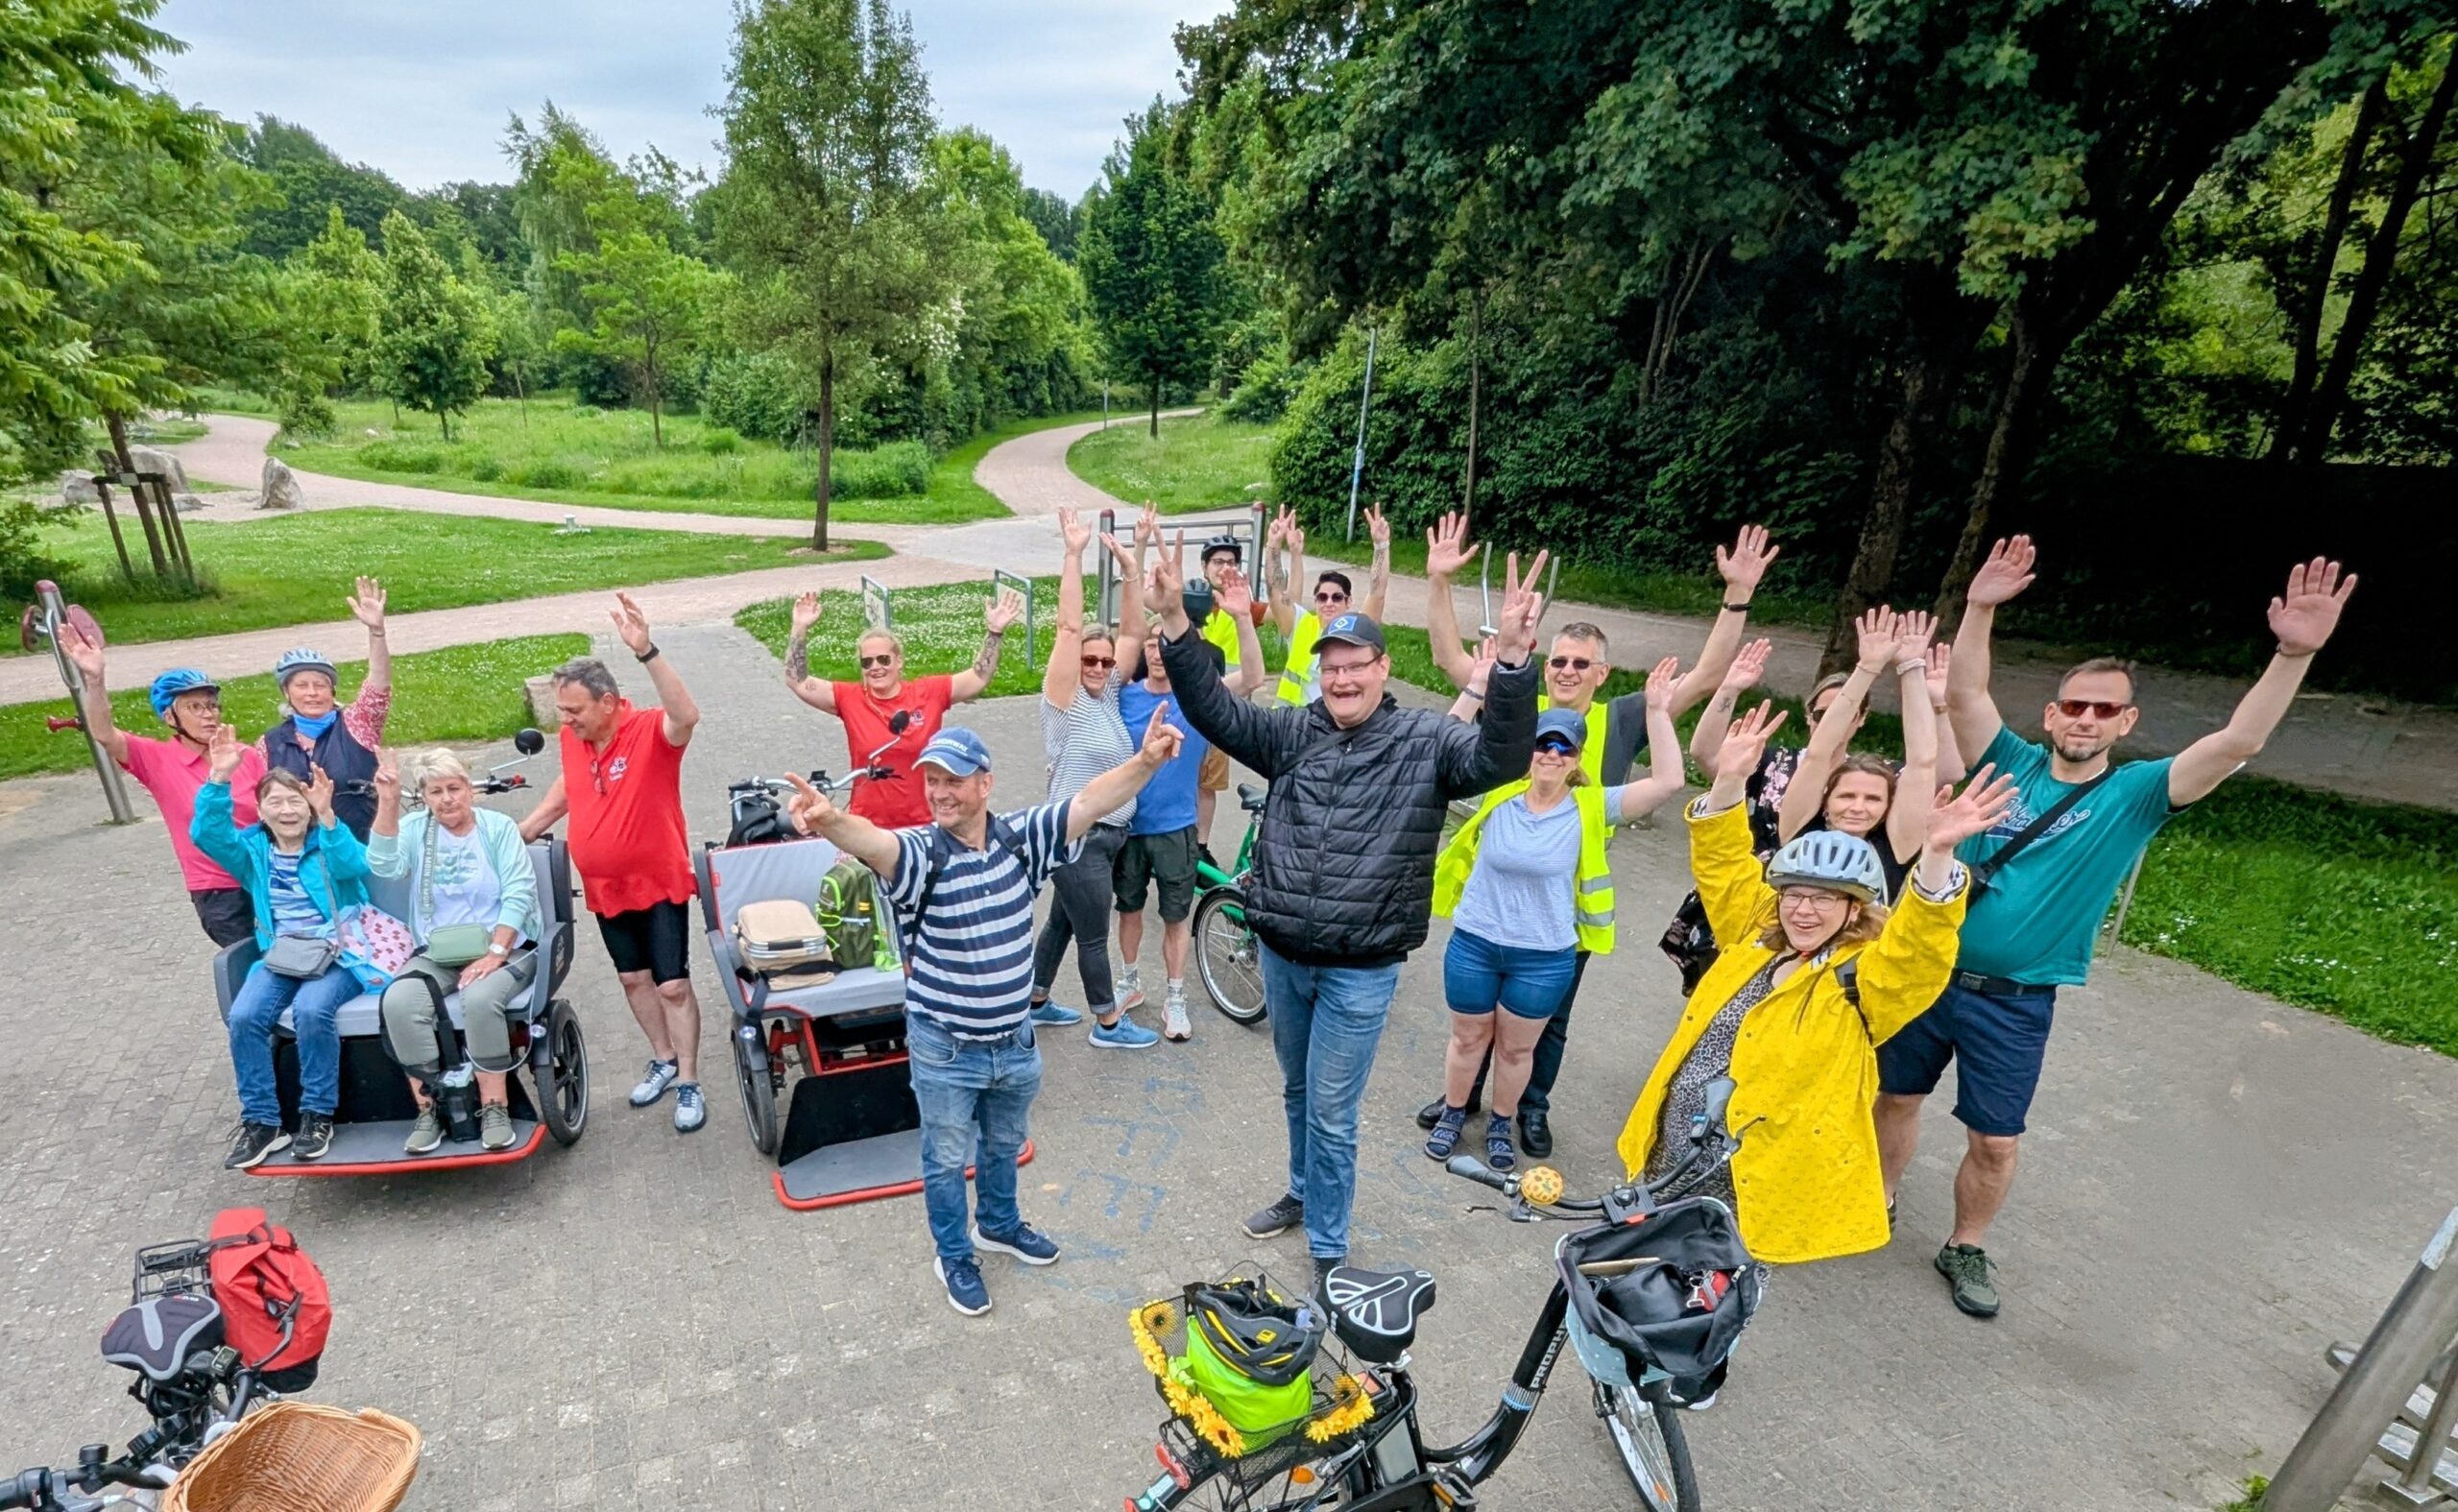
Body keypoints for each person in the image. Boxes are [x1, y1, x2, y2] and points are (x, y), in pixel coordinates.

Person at [1876, 542, 2356, 1320]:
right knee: (1895, 1097)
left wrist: (2291, 655)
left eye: (2106, 709)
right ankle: (1880, 1196)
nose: (2088, 718)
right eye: (2075, 705)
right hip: (1926, 971)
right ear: (2052, 713)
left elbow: (2237, 744)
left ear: (2126, 720)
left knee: (1994, 1140)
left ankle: (1965, 1243)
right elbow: (1965, 689)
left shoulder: (2137, 794)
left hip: (2016, 998)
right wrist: (1981, 607)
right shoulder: (2010, 759)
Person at [1156, 533, 1546, 1298]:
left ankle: (1330, 1246)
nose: (1340, 679)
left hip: (1360, 970)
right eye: (1330, 668)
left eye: (1354, 667)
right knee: (1299, 1091)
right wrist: (1175, 623)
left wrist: (1512, 668)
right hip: (1283, 953)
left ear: (1382, 670)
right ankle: (1303, 1193)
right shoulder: (1293, 731)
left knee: (1333, 1108)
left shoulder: (1427, 742)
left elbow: (1501, 758)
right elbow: (1215, 710)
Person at [1611, 705, 2012, 1400]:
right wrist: (1730, 783)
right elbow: (1726, 867)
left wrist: (1940, 855)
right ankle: (1646, 1339)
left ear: (1857, 910)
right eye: (1795, 893)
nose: (1804, 909)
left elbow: (1919, 949)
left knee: (1720, 1283)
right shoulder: (1753, 939)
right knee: (1659, 1259)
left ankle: (1698, 1372)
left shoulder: (1866, 981)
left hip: (1755, 1171)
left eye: (1826, 900)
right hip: (1678, 1141)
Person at [780, 715, 1182, 1317]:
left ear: (986, 784)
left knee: (1002, 1144)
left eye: (954, 781)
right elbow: (877, 843)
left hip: (1015, 1042)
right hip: (946, 1049)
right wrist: (831, 819)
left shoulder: (1022, 838)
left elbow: (1091, 800)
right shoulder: (920, 856)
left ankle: (998, 1225)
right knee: (944, 1159)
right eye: (932, 781)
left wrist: (1148, 761)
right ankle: (953, 1255)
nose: (940, 792)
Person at [1412, 516, 1779, 1157]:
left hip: (1565, 903)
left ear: (1602, 672)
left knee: (1545, 1021)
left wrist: (1737, 596)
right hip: (1495, 899)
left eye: (1582, 663)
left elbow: (1704, 674)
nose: (1567, 670)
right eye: (1558, 659)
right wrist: (1439, 581)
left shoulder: (1623, 717)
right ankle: (1462, 1100)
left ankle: (1529, 1107)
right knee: (1476, 1019)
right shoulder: (1518, 705)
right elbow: (1452, 660)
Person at [1424, 660, 1689, 1171]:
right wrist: (1477, 688)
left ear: (1576, 759)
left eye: (1563, 746)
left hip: (1543, 956)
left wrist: (1658, 711)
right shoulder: (1496, 793)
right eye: (1543, 743)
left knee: (1517, 1052)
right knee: (1467, 1037)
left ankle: (1502, 1125)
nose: (1551, 753)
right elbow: (1438, 752)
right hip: (1476, 943)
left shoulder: (1593, 806)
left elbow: (1671, 780)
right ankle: (1454, 1114)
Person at [518, 594, 710, 1134]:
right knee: (632, 979)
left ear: (607, 702)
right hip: (604, 886)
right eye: (562, 710)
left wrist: (646, 650)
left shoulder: (649, 730)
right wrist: (530, 826)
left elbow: (687, 715)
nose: (566, 719)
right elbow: (570, 786)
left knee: (672, 985)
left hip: (658, 879)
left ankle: (691, 1079)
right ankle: (663, 1059)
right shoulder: (572, 738)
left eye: (574, 709)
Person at [191, 727, 390, 1169]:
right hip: (281, 954)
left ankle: (317, 1114)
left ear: (310, 807)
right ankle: (263, 1122)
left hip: (338, 951)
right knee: (245, 1017)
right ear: (260, 811)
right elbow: (207, 834)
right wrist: (219, 780)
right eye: (275, 803)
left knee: (311, 1011)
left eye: (295, 801)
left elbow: (356, 865)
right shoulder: (253, 851)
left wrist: (330, 817)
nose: (286, 810)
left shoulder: (327, 842)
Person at [1023, 506, 1156, 1046]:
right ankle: (1106, 1022)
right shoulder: (1065, 699)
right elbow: (1070, 626)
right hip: (1079, 838)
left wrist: (1130, 570)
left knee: (1060, 923)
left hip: (1106, 839)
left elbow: (1133, 631)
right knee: (1093, 936)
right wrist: (1074, 554)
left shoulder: (1110, 696)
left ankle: (1033, 1000)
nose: (1099, 667)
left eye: (1105, 661)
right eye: (1090, 661)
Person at [368, 747, 544, 1155]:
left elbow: (519, 891)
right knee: (397, 1001)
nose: (446, 799)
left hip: (503, 943)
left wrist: (496, 952)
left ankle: (495, 1106)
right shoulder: (416, 829)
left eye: (454, 788)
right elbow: (383, 866)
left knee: (480, 997)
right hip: (438, 949)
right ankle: (431, 1107)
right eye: (435, 791)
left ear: (470, 790)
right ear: (425, 797)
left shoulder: (497, 827)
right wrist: (389, 802)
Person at [57, 626, 266, 947]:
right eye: (194, 707)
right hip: (218, 888)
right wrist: (95, 680)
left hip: (265, 875)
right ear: (170, 717)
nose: (208, 714)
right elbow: (104, 733)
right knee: (250, 968)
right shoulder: (157, 759)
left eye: (211, 705)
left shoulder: (245, 755)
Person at [781, 583, 1026, 828]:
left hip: (924, 824)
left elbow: (977, 678)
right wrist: (799, 627)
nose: (876, 667)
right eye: (867, 662)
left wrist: (994, 632)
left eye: (884, 659)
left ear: (899, 661)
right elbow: (797, 680)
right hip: (868, 826)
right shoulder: (850, 698)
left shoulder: (928, 692)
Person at [1115, 603, 1252, 1041]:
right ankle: (1130, 982)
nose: (1157, 653)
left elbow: (1251, 679)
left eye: (1167, 645)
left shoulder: (1196, 702)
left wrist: (1244, 619)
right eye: (1151, 645)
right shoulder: (1125, 697)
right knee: (1129, 910)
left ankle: (1175, 999)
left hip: (1177, 829)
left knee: (1176, 918)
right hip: (1131, 826)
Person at [1770, 607, 1962, 903]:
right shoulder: (1800, 828)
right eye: (1846, 796)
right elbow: (1818, 753)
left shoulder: (1895, 845)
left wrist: (1911, 666)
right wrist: (1867, 668)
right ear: (1825, 801)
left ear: (1888, 807)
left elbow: (1923, 761)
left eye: (1873, 799)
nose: (1858, 807)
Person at [258, 576, 393, 840]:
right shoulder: (269, 743)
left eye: (320, 685)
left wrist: (377, 632)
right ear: (287, 692)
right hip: (303, 854)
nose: (312, 693)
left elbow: (379, 686)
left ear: (332, 690)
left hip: (360, 846)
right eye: (302, 686)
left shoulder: (357, 724)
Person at [1265, 503, 1391, 707]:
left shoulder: (1359, 630)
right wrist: (1273, 545)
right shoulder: (1301, 625)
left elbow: (1377, 593)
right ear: (1315, 602)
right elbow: (1275, 592)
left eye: (1337, 597)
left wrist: (1381, 546)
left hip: (1337, 728)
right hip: (1294, 726)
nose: (1328, 603)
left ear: (1349, 601)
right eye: (1322, 597)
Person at [1191, 532, 1271, 852]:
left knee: (1207, 783)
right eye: (1217, 562)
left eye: (1231, 562)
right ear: (1204, 566)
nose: (1224, 568)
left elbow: (1284, 605)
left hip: (1224, 706)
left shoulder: (1243, 606)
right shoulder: (1190, 600)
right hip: (1185, 703)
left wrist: (1279, 552)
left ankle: (1201, 845)